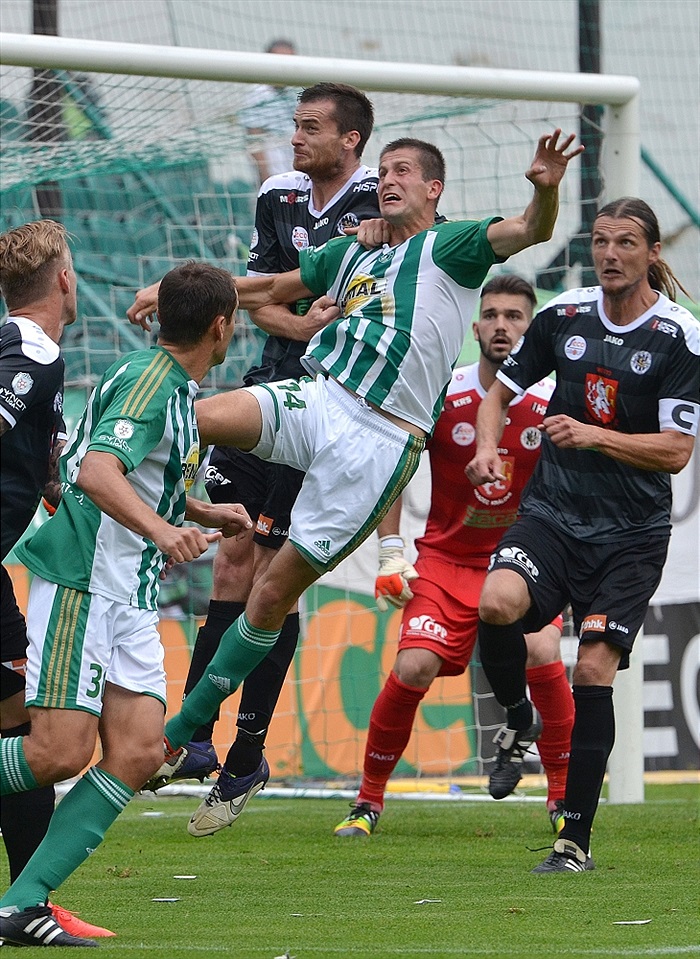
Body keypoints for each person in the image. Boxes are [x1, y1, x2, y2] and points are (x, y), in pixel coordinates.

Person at [129, 129, 583, 839]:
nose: (389, 179)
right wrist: (179, 290)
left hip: (379, 442)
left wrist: (546, 186)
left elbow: (530, 228)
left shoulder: (453, 246)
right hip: (318, 398)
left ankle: (187, 732)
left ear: (433, 189)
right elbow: (275, 288)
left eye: (403, 171)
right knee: (191, 416)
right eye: (386, 171)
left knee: (273, 592)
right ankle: (113, 497)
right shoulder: (356, 251)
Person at [135, 83, 380, 823]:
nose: (296, 138)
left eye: (311, 127)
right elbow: (263, 294)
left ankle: (247, 749)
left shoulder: (381, 206)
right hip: (270, 386)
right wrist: (304, 325)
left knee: (277, 571)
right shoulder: (277, 194)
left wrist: (302, 319)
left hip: (330, 408)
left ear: (353, 140)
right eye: (295, 125)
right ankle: (199, 736)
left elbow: (360, 313)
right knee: (235, 553)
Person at [0, 262, 253, 947]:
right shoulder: (151, 383)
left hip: (130, 596)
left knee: (140, 750)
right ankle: (25, 901)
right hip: (87, 580)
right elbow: (95, 470)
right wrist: (165, 529)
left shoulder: (168, 386)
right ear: (221, 326)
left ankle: (23, 902)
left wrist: (199, 508)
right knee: (57, 752)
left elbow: (129, 467)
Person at [466, 197, 699, 874]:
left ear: (652, 252)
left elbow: (676, 451)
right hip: (553, 514)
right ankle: (517, 717)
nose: (610, 253)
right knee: (496, 603)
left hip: (630, 534)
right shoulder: (564, 314)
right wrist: (486, 448)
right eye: (601, 240)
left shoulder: (680, 337)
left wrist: (595, 434)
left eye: (626, 241)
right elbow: (497, 395)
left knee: (591, 668)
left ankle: (574, 840)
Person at [333, 274, 575, 839]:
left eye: (515, 317)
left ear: (530, 327)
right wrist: (390, 551)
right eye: (491, 315)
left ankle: (562, 800)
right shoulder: (446, 393)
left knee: (542, 648)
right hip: (447, 562)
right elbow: (395, 469)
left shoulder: (551, 402)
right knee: (412, 666)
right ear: (475, 328)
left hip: (521, 562)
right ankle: (367, 803)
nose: (502, 326)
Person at [0, 219, 115, 940]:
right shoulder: (28, 351)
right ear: (65, 281)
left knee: (17, 725)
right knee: (38, 736)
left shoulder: (33, 354)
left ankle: (25, 901)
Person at [239, 39, 299, 184]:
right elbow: (253, 138)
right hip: (276, 170)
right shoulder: (258, 93)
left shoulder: (296, 91)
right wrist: (266, 176)